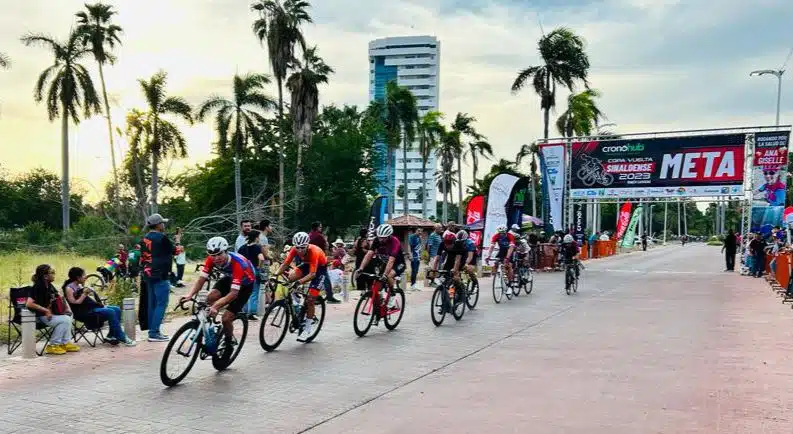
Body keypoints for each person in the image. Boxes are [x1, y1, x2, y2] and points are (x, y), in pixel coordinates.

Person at [181, 237, 255, 348]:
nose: (216, 258)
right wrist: (190, 295)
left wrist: (216, 306)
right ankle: (211, 326)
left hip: (245, 285)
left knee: (226, 318)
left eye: (219, 254)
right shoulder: (211, 259)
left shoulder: (238, 264)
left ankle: (229, 341)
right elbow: (201, 279)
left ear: (226, 251)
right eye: (212, 254)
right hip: (230, 278)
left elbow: (234, 293)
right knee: (209, 298)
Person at [276, 232, 334, 341]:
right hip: (307, 265)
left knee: (310, 299)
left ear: (307, 245)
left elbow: (312, 274)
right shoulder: (294, 249)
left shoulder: (314, 251)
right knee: (290, 278)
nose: (300, 250)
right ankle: (295, 299)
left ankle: (308, 328)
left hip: (320, 269)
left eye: (302, 247)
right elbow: (285, 264)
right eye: (297, 247)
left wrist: (299, 282)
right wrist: (275, 275)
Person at [62, 267, 136, 346]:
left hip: (90, 308)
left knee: (116, 309)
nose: (86, 276)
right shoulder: (69, 288)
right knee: (110, 312)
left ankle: (110, 336)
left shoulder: (78, 285)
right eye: (84, 275)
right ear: (78, 277)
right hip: (83, 313)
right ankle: (121, 336)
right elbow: (75, 303)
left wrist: (88, 293)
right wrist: (84, 294)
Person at [140, 213, 180, 342]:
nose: (164, 224)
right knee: (162, 303)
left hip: (147, 274)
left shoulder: (145, 238)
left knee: (152, 303)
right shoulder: (162, 238)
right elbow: (175, 251)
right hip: (161, 274)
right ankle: (154, 332)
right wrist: (178, 241)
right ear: (158, 225)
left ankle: (152, 331)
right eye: (162, 223)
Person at [25, 264, 81, 355]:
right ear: (45, 276)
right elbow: (29, 303)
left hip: (51, 313)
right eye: (52, 273)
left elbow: (60, 296)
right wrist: (46, 310)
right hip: (40, 316)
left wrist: (67, 308)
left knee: (68, 316)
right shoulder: (38, 286)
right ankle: (53, 345)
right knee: (64, 320)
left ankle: (65, 342)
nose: (54, 275)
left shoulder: (49, 285)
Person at [355, 224, 406, 300]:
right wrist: (361, 268)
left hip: (398, 263)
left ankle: (392, 295)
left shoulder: (395, 241)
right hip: (385, 263)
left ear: (389, 236)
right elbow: (369, 254)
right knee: (377, 284)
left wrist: (385, 275)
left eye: (384, 238)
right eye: (379, 237)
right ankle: (380, 301)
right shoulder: (376, 240)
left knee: (388, 276)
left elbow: (391, 260)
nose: (381, 240)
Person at [237, 230, 265, 321]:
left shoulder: (242, 248)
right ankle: (252, 313)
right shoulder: (257, 247)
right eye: (258, 237)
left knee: (244, 291)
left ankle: (244, 311)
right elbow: (261, 258)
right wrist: (258, 267)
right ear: (256, 238)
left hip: (244, 272)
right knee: (254, 292)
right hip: (254, 271)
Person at [486, 225, 516, 294]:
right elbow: (492, 246)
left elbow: (511, 248)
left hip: (510, 251)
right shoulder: (496, 236)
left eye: (503, 233)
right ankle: (497, 274)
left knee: (508, 266)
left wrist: (507, 258)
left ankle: (510, 286)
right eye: (500, 233)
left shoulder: (510, 236)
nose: (502, 234)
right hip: (502, 251)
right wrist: (488, 256)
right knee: (496, 262)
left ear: (506, 232)